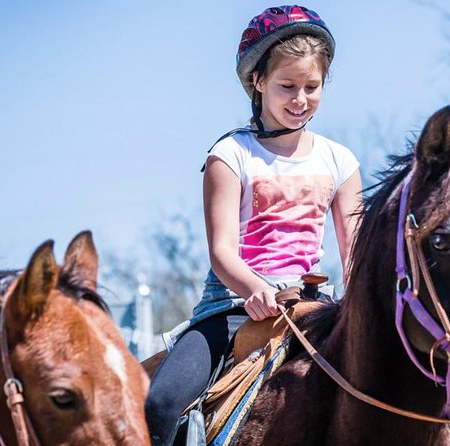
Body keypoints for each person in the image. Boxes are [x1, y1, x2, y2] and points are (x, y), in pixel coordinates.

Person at [144, 5, 362, 445]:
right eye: (287, 86)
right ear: (258, 81)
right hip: (233, 307)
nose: (300, 99)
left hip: (313, 305)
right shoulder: (230, 155)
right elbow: (222, 252)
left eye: (312, 87)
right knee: (161, 404)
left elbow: (354, 253)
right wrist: (255, 290)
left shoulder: (340, 161)